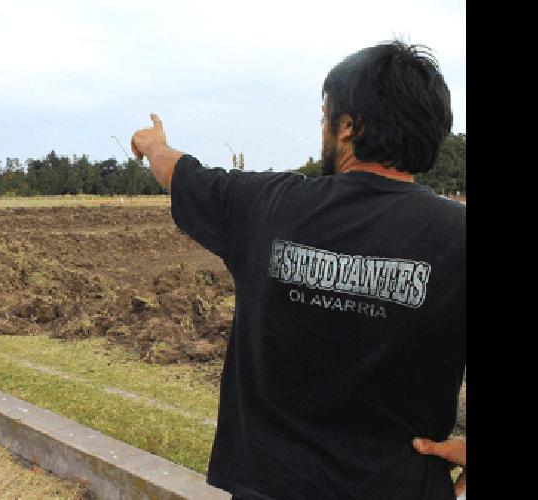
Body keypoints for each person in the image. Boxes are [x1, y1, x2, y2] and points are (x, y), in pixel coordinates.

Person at [130, 40, 466, 499]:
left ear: (349, 127)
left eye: (326, 115)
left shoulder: (266, 206)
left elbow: (182, 173)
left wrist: (154, 146)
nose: (323, 128)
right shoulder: (457, 235)